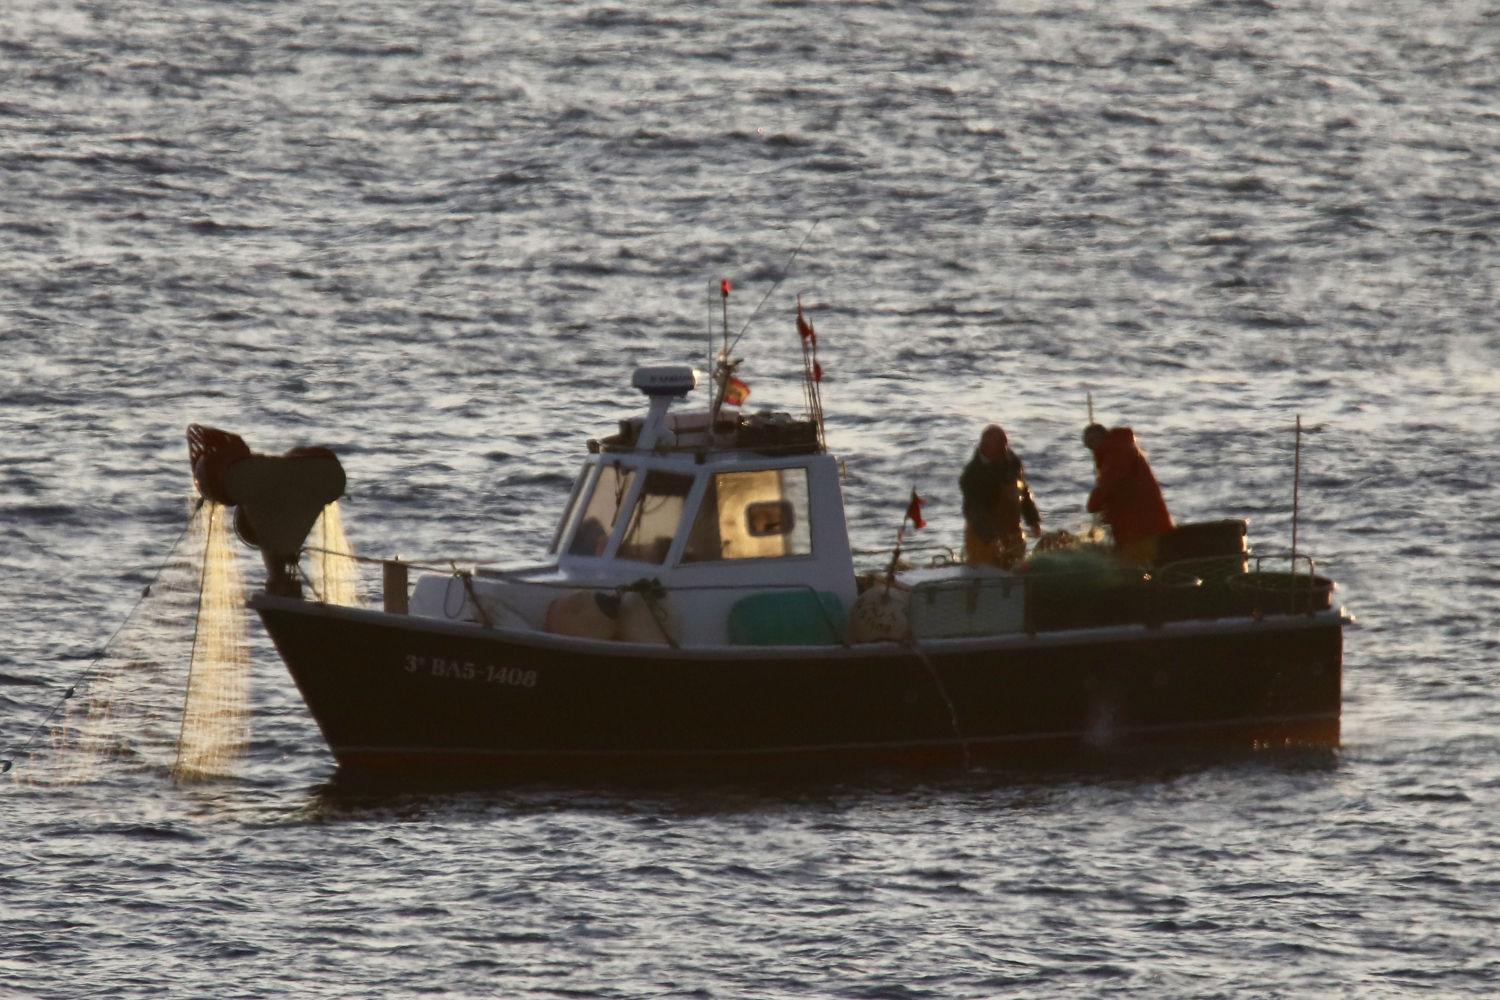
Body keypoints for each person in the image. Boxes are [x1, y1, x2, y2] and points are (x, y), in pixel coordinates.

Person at [1082, 423, 1173, 565]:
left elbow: (1107, 485)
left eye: (1091, 445)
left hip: (1141, 526)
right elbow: (1119, 491)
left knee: (1136, 568)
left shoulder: (1118, 453)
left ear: (1099, 439)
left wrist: (1094, 503)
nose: (1092, 451)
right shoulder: (1119, 450)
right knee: (1138, 564)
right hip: (1137, 524)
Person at [960, 425, 1042, 569]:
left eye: (1005, 445)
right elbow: (974, 510)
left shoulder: (1013, 463)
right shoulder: (972, 474)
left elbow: (1024, 493)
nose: (1004, 451)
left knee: (1016, 573)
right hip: (982, 538)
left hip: (1013, 534)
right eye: (999, 447)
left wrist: (1033, 520)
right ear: (985, 447)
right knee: (988, 575)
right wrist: (990, 538)